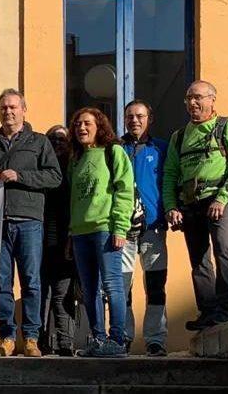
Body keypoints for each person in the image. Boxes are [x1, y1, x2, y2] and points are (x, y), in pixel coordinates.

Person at [0, 89, 62, 358]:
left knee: (31, 282)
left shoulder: (39, 142)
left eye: (13, 107)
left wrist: (20, 175)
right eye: (3, 108)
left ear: (24, 109)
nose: (8, 112)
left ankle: (32, 337)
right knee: (1, 283)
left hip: (29, 221)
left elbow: (54, 177)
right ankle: (8, 337)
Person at [163, 80, 228, 330]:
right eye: (189, 98)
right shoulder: (179, 137)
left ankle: (223, 311)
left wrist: (222, 199)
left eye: (199, 97)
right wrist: (171, 206)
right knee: (199, 260)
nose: (193, 103)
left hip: (219, 200)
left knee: (224, 250)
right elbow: (170, 173)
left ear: (212, 100)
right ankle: (207, 311)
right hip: (190, 204)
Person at [67, 107, 134, 358]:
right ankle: (98, 339)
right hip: (80, 233)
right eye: (77, 125)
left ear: (99, 127)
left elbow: (124, 191)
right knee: (89, 289)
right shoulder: (76, 159)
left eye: (87, 124)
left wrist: (120, 228)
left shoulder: (112, 152)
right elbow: (74, 200)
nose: (81, 128)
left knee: (113, 284)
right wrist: (70, 233)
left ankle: (117, 340)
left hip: (105, 229)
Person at [120, 101, 170, 356]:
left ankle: (155, 339)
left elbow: (170, 181)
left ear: (150, 118)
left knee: (156, 285)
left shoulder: (162, 148)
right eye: (129, 116)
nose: (134, 120)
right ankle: (122, 336)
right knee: (122, 287)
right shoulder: (115, 149)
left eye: (140, 116)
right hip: (121, 231)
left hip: (154, 227)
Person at [39, 125, 78, 357]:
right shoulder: (42, 169)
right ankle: (40, 340)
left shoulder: (74, 170)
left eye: (62, 140)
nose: (57, 144)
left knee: (63, 295)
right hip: (41, 242)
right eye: (52, 140)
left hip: (67, 242)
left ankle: (66, 343)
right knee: (41, 294)